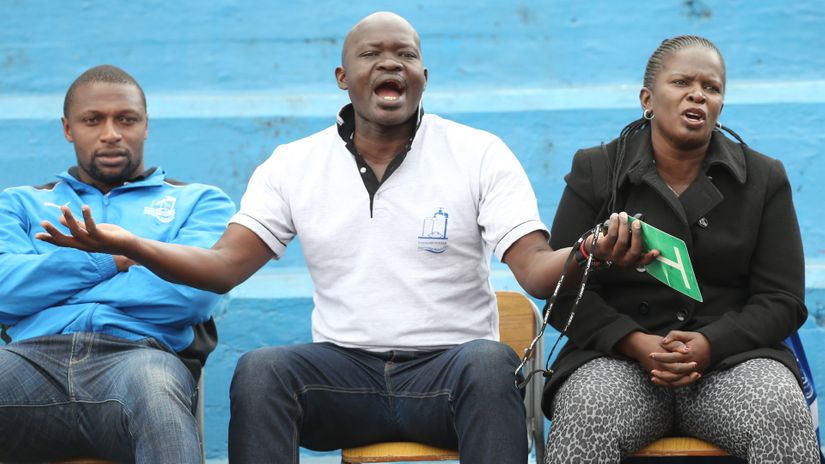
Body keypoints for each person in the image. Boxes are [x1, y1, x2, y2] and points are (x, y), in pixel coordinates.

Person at [38, 14, 651, 464]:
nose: (389, 64)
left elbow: (537, 272)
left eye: (404, 54)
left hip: (447, 374)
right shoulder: (293, 164)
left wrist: (589, 250)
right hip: (344, 374)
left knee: (489, 362)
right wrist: (133, 246)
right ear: (343, 76)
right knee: (260, 371)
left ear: (423, 76)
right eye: (372, 54)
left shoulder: (479, 153)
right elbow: (225, 267)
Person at [543, 35, 820, 463]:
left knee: (777, 406)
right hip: (620, 361)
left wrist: (709, 344)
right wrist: (635, 343)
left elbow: (782, 299)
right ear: (647, 99)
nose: (698, 94)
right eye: (682, 83)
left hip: (732, 362)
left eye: (711, 88)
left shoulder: (763, 179)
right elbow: (562, 289)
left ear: (721, 107)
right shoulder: (596, 169)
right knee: (587, 408)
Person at [0, 65, 235, 463]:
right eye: (93, 120)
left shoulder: (199, 201)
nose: (111, 133)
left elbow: (190, 296)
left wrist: (50, 283)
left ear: (146, 126)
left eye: (126, 119)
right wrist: (117, 259)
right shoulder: (19, 203)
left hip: (139, 359)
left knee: (158, 398)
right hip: (28, 364)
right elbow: (5, 290)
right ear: (68, 128)